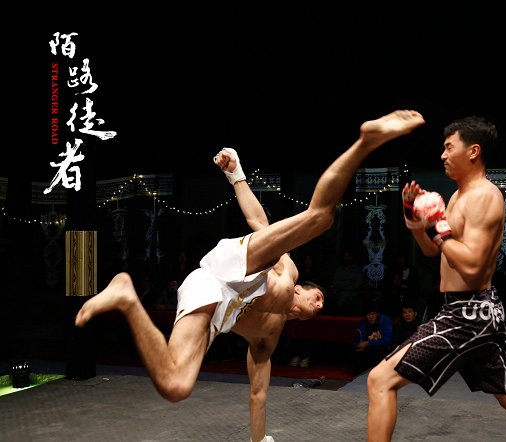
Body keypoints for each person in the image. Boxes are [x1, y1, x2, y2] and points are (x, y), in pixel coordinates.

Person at [74, 109, 425, 442]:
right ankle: (366, 140)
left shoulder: (267, 340)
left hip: (214, 299)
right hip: (238, 266)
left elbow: (258, 394)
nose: (320, 305)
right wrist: (236, 175)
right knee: (321, 218)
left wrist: (260, 439)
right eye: (317, 297)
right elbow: (258, 223)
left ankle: (126, 295)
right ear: (300, 290)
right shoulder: (288, 270)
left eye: (322, 305)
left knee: (176, 386)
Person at [366, 116, 506, 441]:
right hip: (470, 313)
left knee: (379, 380)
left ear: (473, 151)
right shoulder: (458, 197)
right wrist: (415, 223)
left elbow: (472, 266)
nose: (443, 155)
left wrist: (437, 230)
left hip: (467, 315)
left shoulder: (484, 197)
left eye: (449, 148)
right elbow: (434, 252)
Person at [351, 303, 393, 375]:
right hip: (368, 349)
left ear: (377, 314)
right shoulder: (363, 324)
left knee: (380, 350)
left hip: (384, 348)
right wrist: (357, 346)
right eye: (368, 315)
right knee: (356, 351)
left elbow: (388, 339)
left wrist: (368, 343)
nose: (371, 317)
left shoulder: (385, 320)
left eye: (373, 314)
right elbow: (357, 340)